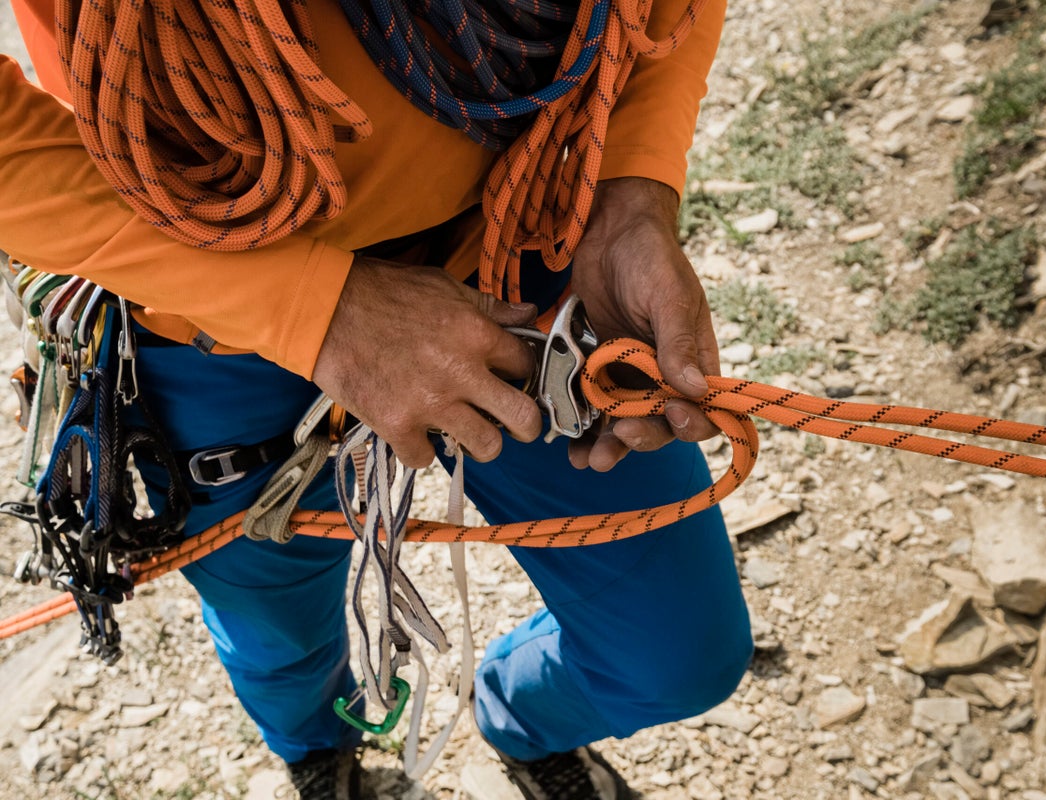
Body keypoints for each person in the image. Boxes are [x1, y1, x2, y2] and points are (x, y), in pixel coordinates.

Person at [0, 0, 753, 797]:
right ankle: (317, 750)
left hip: (516, 248)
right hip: (200, 324)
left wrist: (629, 187)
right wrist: (315, 308)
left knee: (675, 654)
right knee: (278, 642)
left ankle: (523, 723)